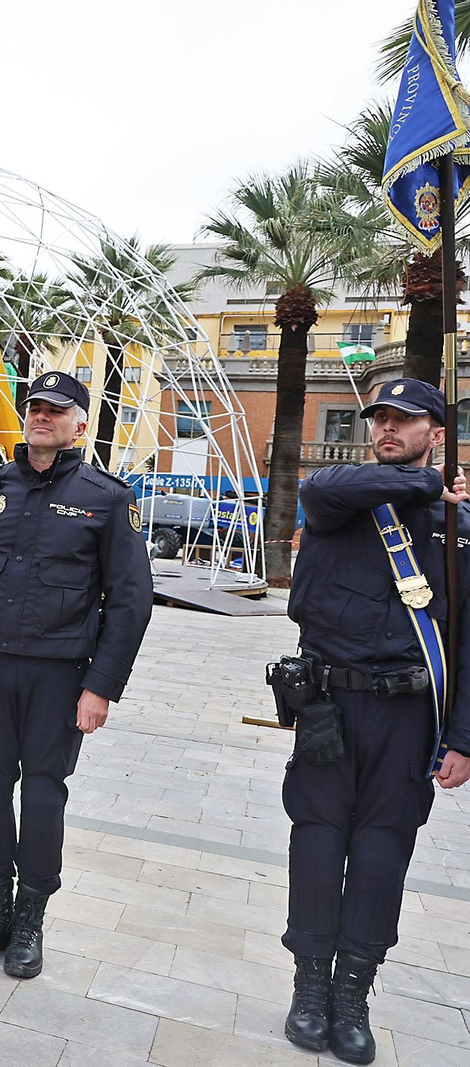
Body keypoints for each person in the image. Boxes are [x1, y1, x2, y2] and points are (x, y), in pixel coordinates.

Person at [0, 371, 152, 980]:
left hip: (59, 675)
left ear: (81, 424)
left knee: (44, 792)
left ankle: (30, 918)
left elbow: (130, 601)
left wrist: (100, 686)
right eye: (35, 408)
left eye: (57, 410)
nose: (42, 417)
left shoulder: (108, 498)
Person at [275, 378, 470, 1064]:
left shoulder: (459, 530)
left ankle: (353, 991)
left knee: (384, 851)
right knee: (319, 842)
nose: (388, 428)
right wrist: (425, 487)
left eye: (405, 420)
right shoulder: (341, 498)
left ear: (437, 434)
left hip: (410, 713)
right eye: (380, 418)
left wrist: (463, 738)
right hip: (329, 705)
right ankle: (309, 989)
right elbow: (326, 489)